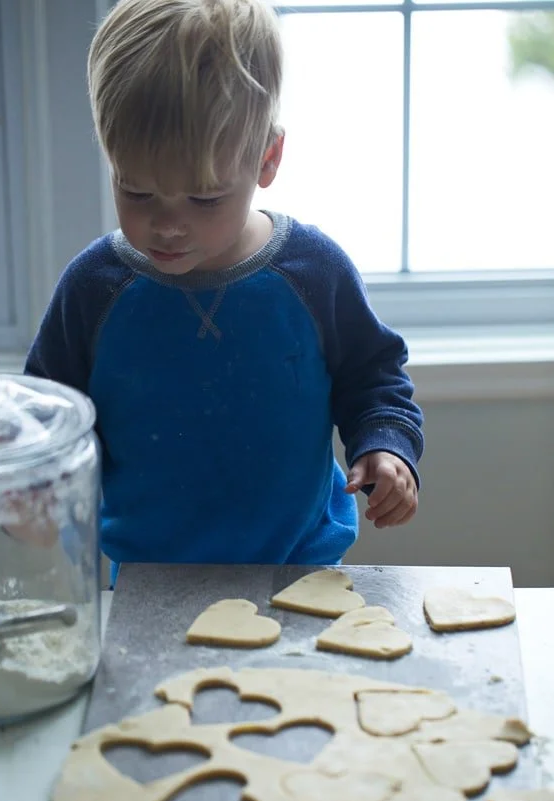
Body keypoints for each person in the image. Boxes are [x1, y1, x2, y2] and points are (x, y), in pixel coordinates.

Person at [24, 0, 424, 586]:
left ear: (267, 159)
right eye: (136, 191)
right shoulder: (94, 290)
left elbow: (374, 378)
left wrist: (386, 446)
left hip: (301, 575)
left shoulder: (313, 272)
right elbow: (51, 416)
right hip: (145, 582)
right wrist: (36, 488)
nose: (167, 225)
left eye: (204, 199)